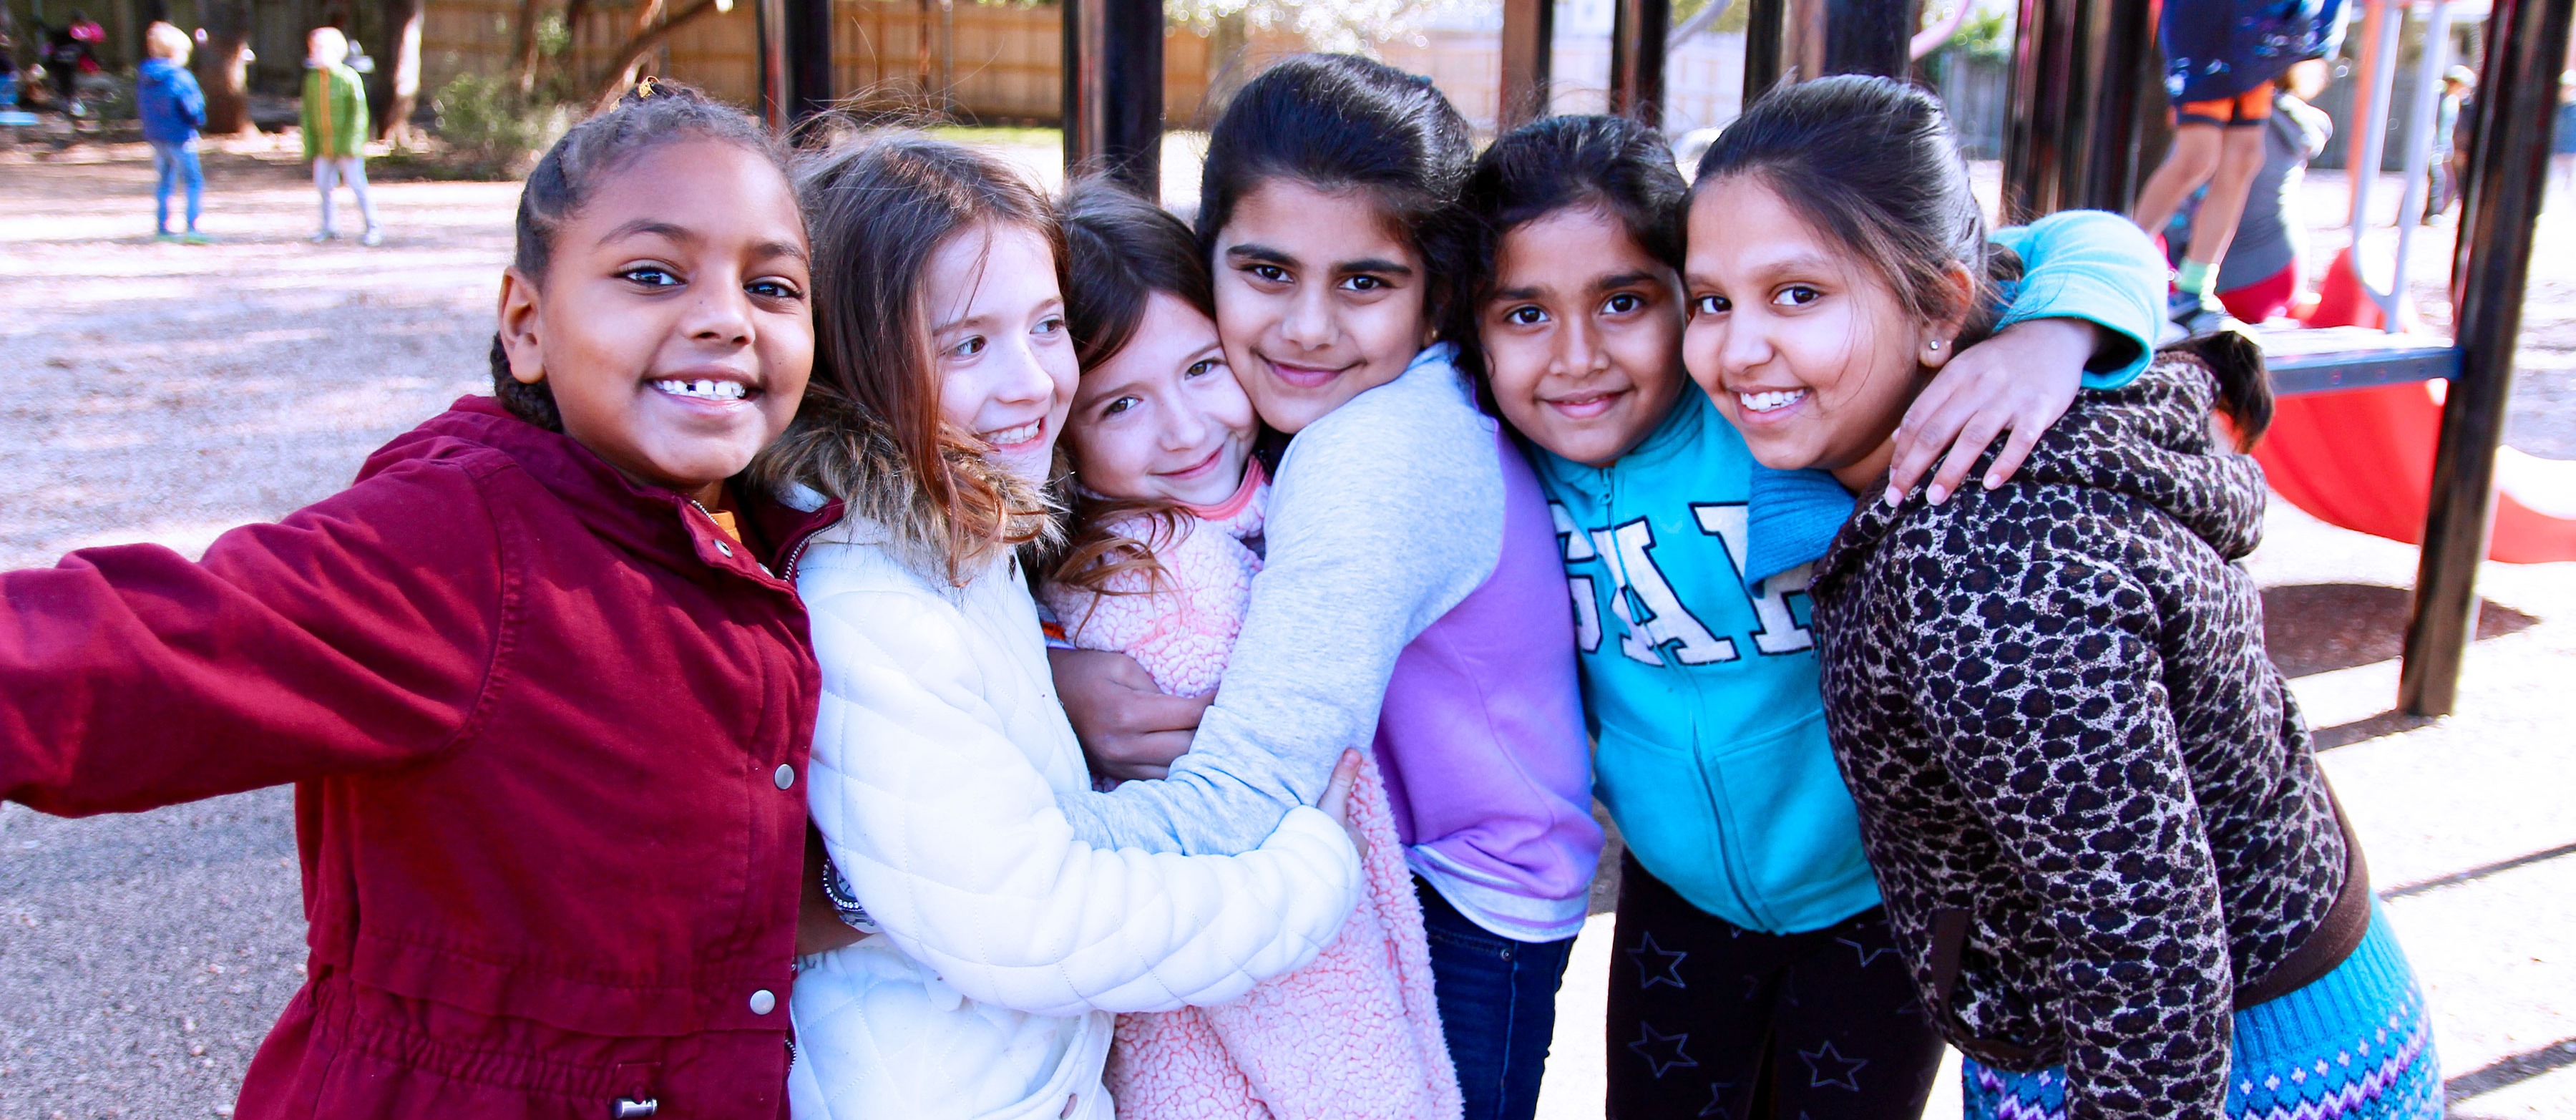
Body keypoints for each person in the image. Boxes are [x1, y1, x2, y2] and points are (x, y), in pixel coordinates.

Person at [0, 83, 847, 1116]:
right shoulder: (458, 547)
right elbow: (126, 650)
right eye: (651, 274)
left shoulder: (793, 536)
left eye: (774, 288)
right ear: (527, 324)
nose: (723, 317)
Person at [1688, 74, 2443, 1120]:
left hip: (2244, 1074)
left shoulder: (1986, 576)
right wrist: (2065, 327)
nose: (1736, 347)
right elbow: (2062, 241)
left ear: (1942, 307)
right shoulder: (2011, 413)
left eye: (1799, 295)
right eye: (1711, 301)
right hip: (2208, 1021)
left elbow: (2152, 967)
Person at [1455, 114, 2165, 1119]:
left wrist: (2054, 337)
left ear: (1687, 296)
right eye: (1523, 314)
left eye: (1625, 301)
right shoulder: (1499, 458)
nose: (1577, 357)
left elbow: (2096, 240)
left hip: (1878, 904)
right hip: (1678, 899)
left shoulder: (1765, 409)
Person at [761, 131, 1367, 1120]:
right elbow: (1035, 922)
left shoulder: (965, 530)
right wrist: (1305, 881)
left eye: (1047, 328)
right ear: (862, 356)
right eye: (967, 343)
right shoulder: (871, 597)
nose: (1034, 381)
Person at [1042, 54, 1601, 1120]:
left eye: (1364, 282)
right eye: (1265, 271)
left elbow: (1250, 789)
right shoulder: (1343, 407)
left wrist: (984, 875)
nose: (1306, 327)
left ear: (1437, 292)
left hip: (1463, 909)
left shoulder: (1375, 452)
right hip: (1430, 865)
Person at [1040, 178, 1458, 1120]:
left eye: (1200, 369)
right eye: (1119, 407)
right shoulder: (1170, 588)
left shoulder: (1255, 508)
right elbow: (1303, 985)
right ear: (1062, 427)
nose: (1187, 430)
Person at [2132, 0, 2346, 328]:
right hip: (2215, 20)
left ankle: (2195, 287)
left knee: (2245, 156)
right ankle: (2122, 261)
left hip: (2259, 24)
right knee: (2197, 155)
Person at [2165, 59, 2332, 323]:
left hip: (2223, 280)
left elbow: (2181, 201)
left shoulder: (2215, 116)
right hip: (2281, 272)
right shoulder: (2300, 121)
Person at [302, 26, 381, 245]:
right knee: (323, 186)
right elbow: (307, 114)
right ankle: (329, 227)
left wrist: (352, 143)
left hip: (347, 146)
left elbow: (359, 115)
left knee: (357, 185)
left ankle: (373, 227)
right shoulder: (312, 80)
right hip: (324, 146)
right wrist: (310, 143)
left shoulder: (348, 78)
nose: (313, 54)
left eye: (318, 49)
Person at [137, 21, 208, 244]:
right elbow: (193, 108)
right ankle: (192, 228)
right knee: (193, 181)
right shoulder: (181, 77)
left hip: (157, 138)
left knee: (164, 182)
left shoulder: (145, 77)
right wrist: (199, 120)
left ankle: (162, 227)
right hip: (181, 137)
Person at [2423, 66, 2474, 223]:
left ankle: (2434, 212)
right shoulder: (2440, 100)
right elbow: (2436, 126)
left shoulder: (2452, 102)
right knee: (2438, 178)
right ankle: (2430, 214)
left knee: (2442, 179)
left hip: (2440, 148)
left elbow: (2448, 129)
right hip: (2431, 147)